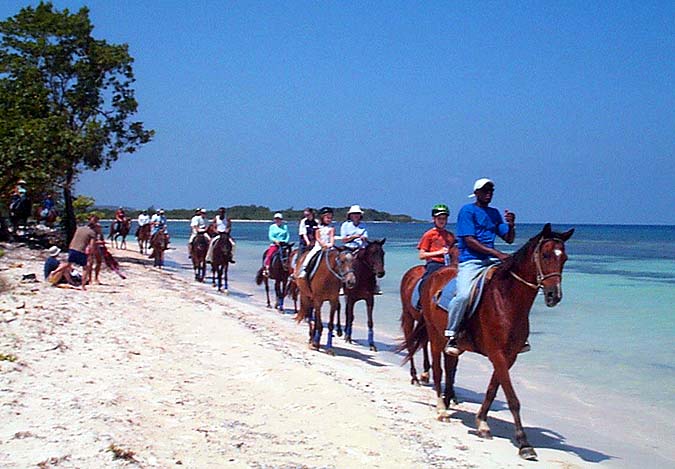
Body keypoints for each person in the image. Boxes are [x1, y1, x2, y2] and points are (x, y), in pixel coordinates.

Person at [444, 178, 521, 355]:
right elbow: (469, 240)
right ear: (476, 193)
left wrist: (511, 225)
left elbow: (509, 239)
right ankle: (453, 334)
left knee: (515, 287)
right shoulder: (467, 211)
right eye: (485, 190)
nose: (488, 194)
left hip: (490, 260)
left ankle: (517, 334)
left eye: (491, 191)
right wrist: (497, 254)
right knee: (463, 296)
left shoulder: (494, 213)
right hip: (471, 261)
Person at [415, 204, 456, 309]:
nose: (442, 221)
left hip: (449, 263)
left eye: (444, 218)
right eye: (439, 218)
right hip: (435, 263)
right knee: (427, 279)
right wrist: (439, 252)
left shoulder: (450, 235)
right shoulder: (429, 235)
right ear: (434, 219)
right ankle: (421, 301)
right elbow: (422, 255)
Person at [297, 207, 335, 279]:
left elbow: (332, 237)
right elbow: (317, 237)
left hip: (328, 245)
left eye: (330, 218)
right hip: (319, 245)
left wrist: (331, 244)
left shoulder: (331, 227)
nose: (329, 219)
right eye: (327, 218)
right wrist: (322, 244)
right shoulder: (317, 226)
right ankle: (304, 269)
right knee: (310, 255)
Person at [67, 214, 103, 289]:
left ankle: (94, 278)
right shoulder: (92, 231)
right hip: (86, 248)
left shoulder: (81, 228)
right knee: (87, 266)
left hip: (74, 248)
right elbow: (92, 244)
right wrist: (90, 252)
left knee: (68, 264)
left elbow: (100, 237)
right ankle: (86, 282)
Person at [263, 212, 290, 277]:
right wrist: (275, 241)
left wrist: (285, 241)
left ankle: (290, 269)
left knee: (290, 255)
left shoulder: (285, 227)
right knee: (269, 255)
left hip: (283, 244)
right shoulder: (272, 227)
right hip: (275, 244)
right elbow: (270, 236)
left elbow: (287, 235)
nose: (278, 220)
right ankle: (267, 268)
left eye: (279, 219)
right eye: (276, 219)